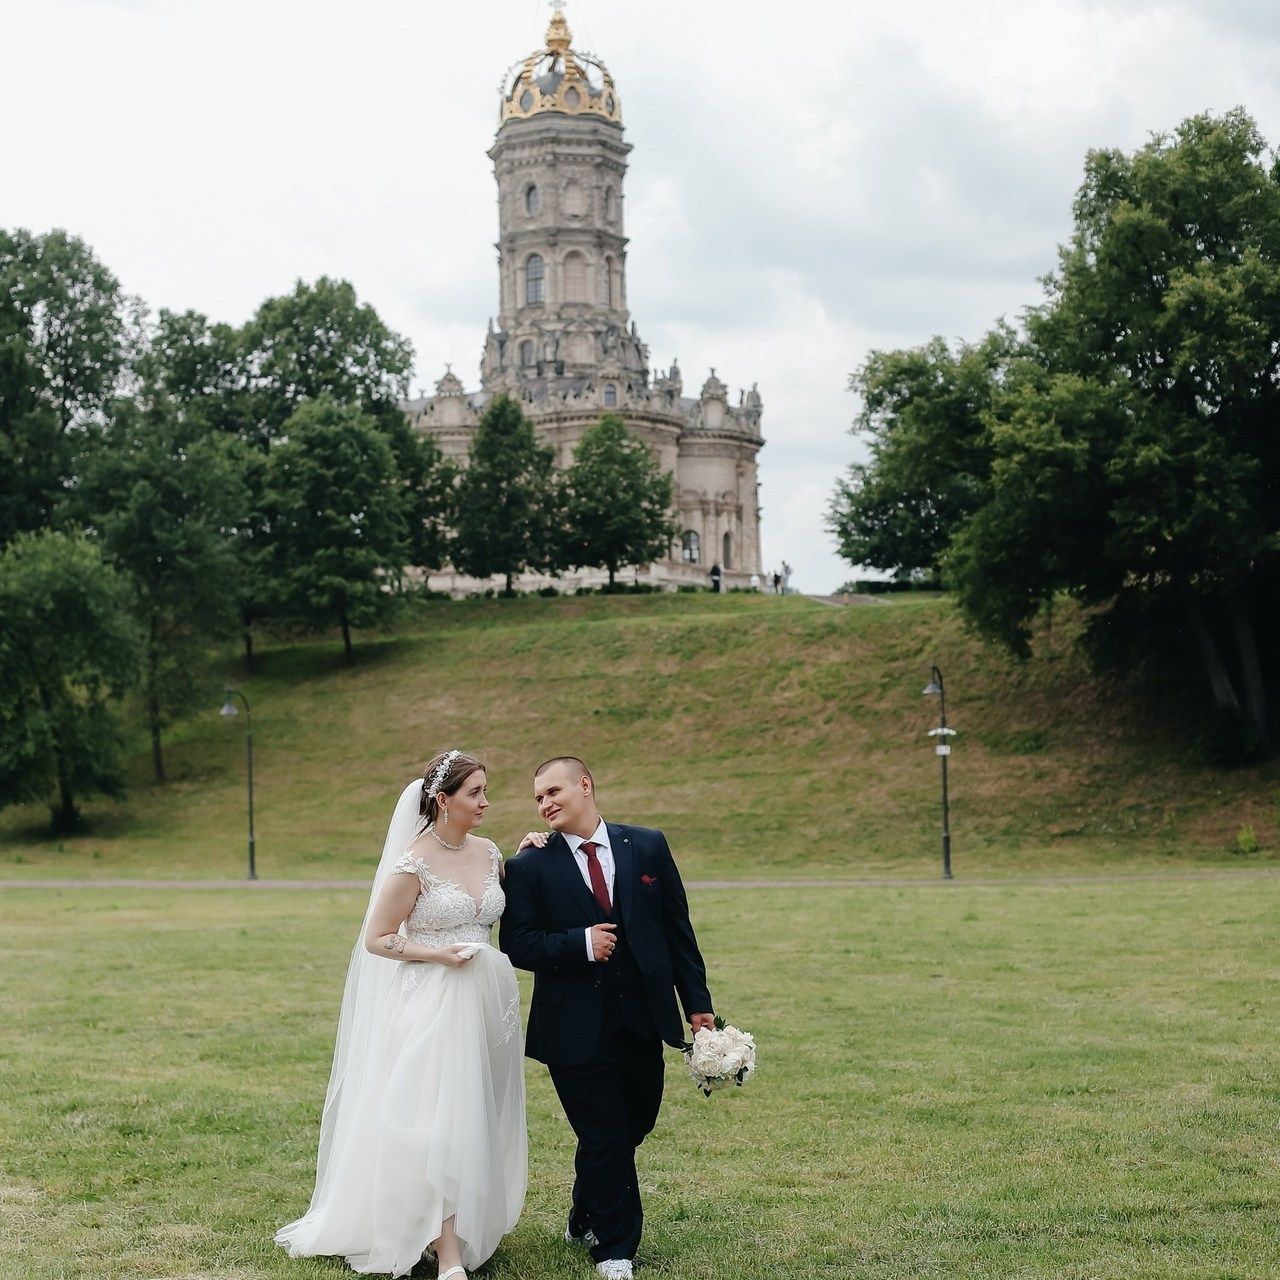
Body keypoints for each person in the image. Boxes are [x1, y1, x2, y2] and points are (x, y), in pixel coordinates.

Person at [275, 751, 527, 1280]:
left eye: (485, 790)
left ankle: (460, 1226)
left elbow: (503, 901)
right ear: (443, 800)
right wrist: (436, 954)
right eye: (475, 792)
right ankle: (447, 1251)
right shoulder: (413, 863)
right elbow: (377, 938)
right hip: (431, 1001)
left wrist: (529, 853)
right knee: (439, 1123)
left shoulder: (489, 851)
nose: (486, 801)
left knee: (476, 1113)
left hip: (487, 1001)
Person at [500, 757, 714, 1280]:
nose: (545, 803)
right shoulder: (530, 865)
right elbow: (517, 943)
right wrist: (580, 943)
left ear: (585, 786)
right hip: (572, 1028)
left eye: (553, 791)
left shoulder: (647, 845)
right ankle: (615, 1249)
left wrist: (698, 1007)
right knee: (605, 1134)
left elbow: (678, 931)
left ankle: (586, 1210)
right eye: (538, 798)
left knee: (633, 1124)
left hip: (644, 1020)